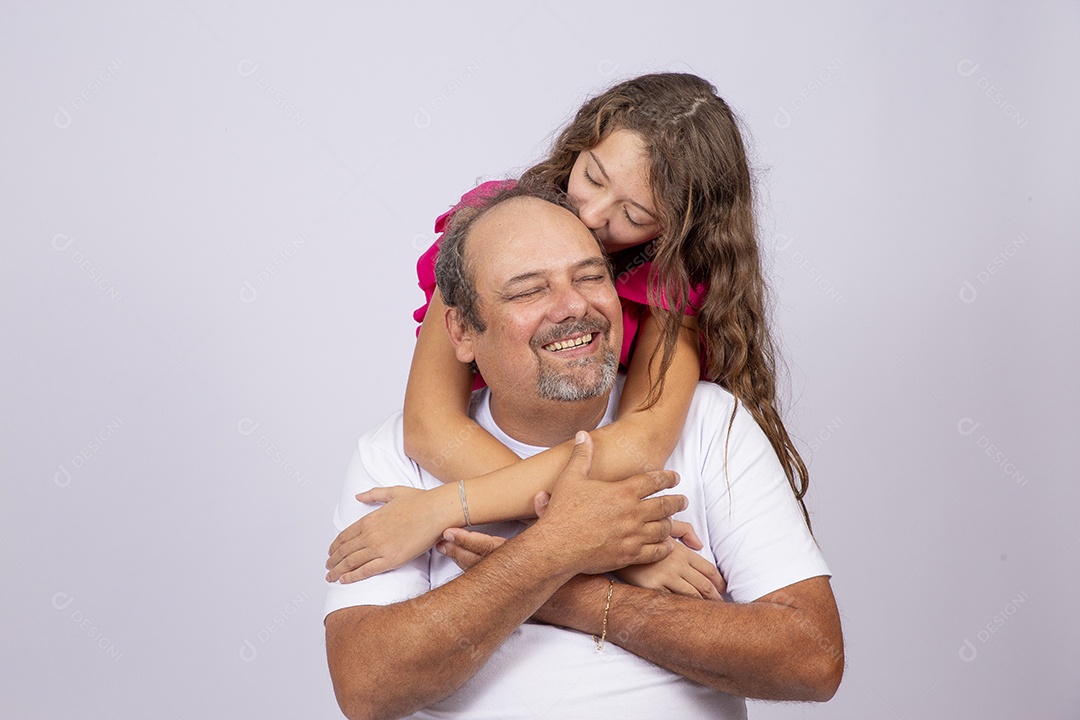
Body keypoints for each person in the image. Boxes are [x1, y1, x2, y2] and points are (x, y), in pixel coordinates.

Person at [324, 184, 842, 719]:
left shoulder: (709, 421)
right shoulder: (393, 455)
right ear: (461, 330)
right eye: (529, 291)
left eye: (591, 276)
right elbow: (366, 686)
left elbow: (813, 659)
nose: (574, 306)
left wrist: (572, 594)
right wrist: (557, 546)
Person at [326, 74, 810, 598]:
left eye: (634, 214)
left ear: (676, 230)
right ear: (580, 144)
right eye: (593, 178)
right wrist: (612, 546)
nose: (593, 214)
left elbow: (640, 442)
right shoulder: (491, 229)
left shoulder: (672, 277)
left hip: (575, 459)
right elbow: (429, 428)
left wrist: (443, 508)